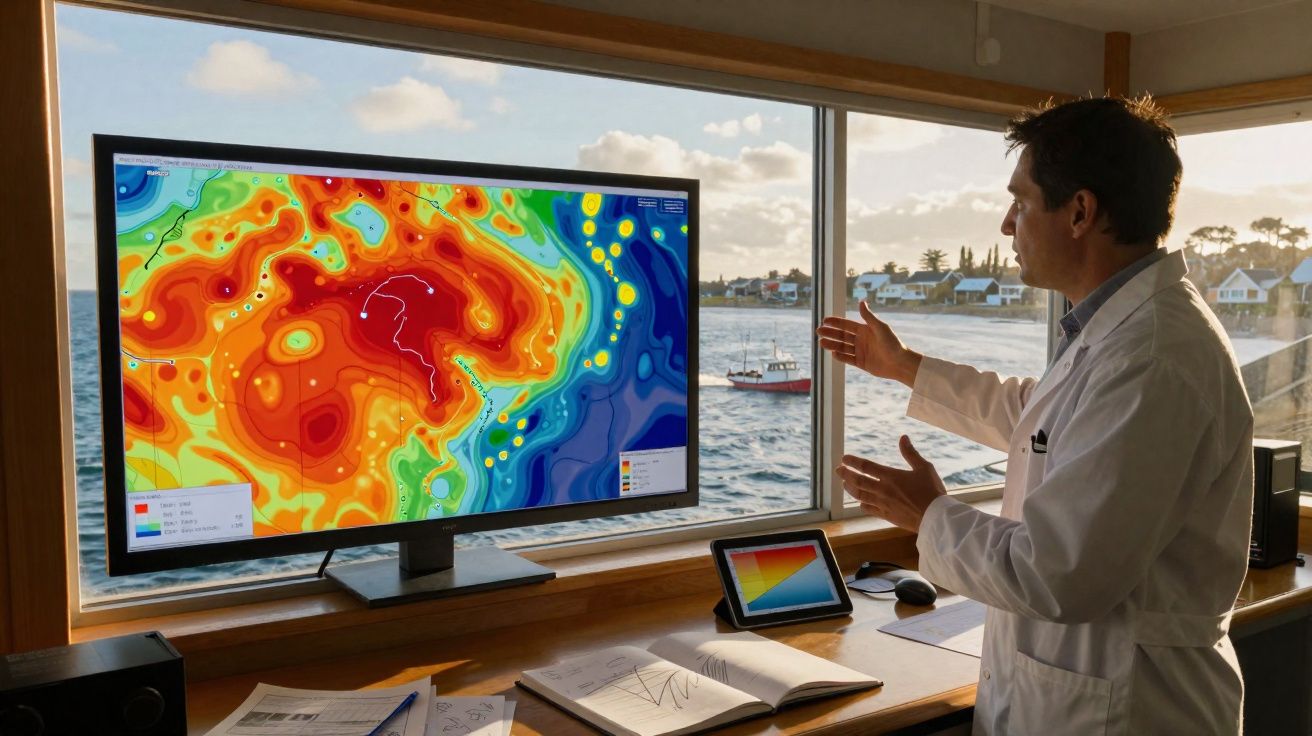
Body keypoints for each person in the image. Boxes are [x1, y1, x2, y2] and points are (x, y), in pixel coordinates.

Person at [818, 96, 1252, 735]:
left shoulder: (1155, 357)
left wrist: (929, 515)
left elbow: (1060, 574)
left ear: (1080, 212)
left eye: (1020, 203)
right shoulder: (1119, 333)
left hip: (1131, 711)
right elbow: (1040, 417)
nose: (1005, 224)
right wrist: (906, 366)